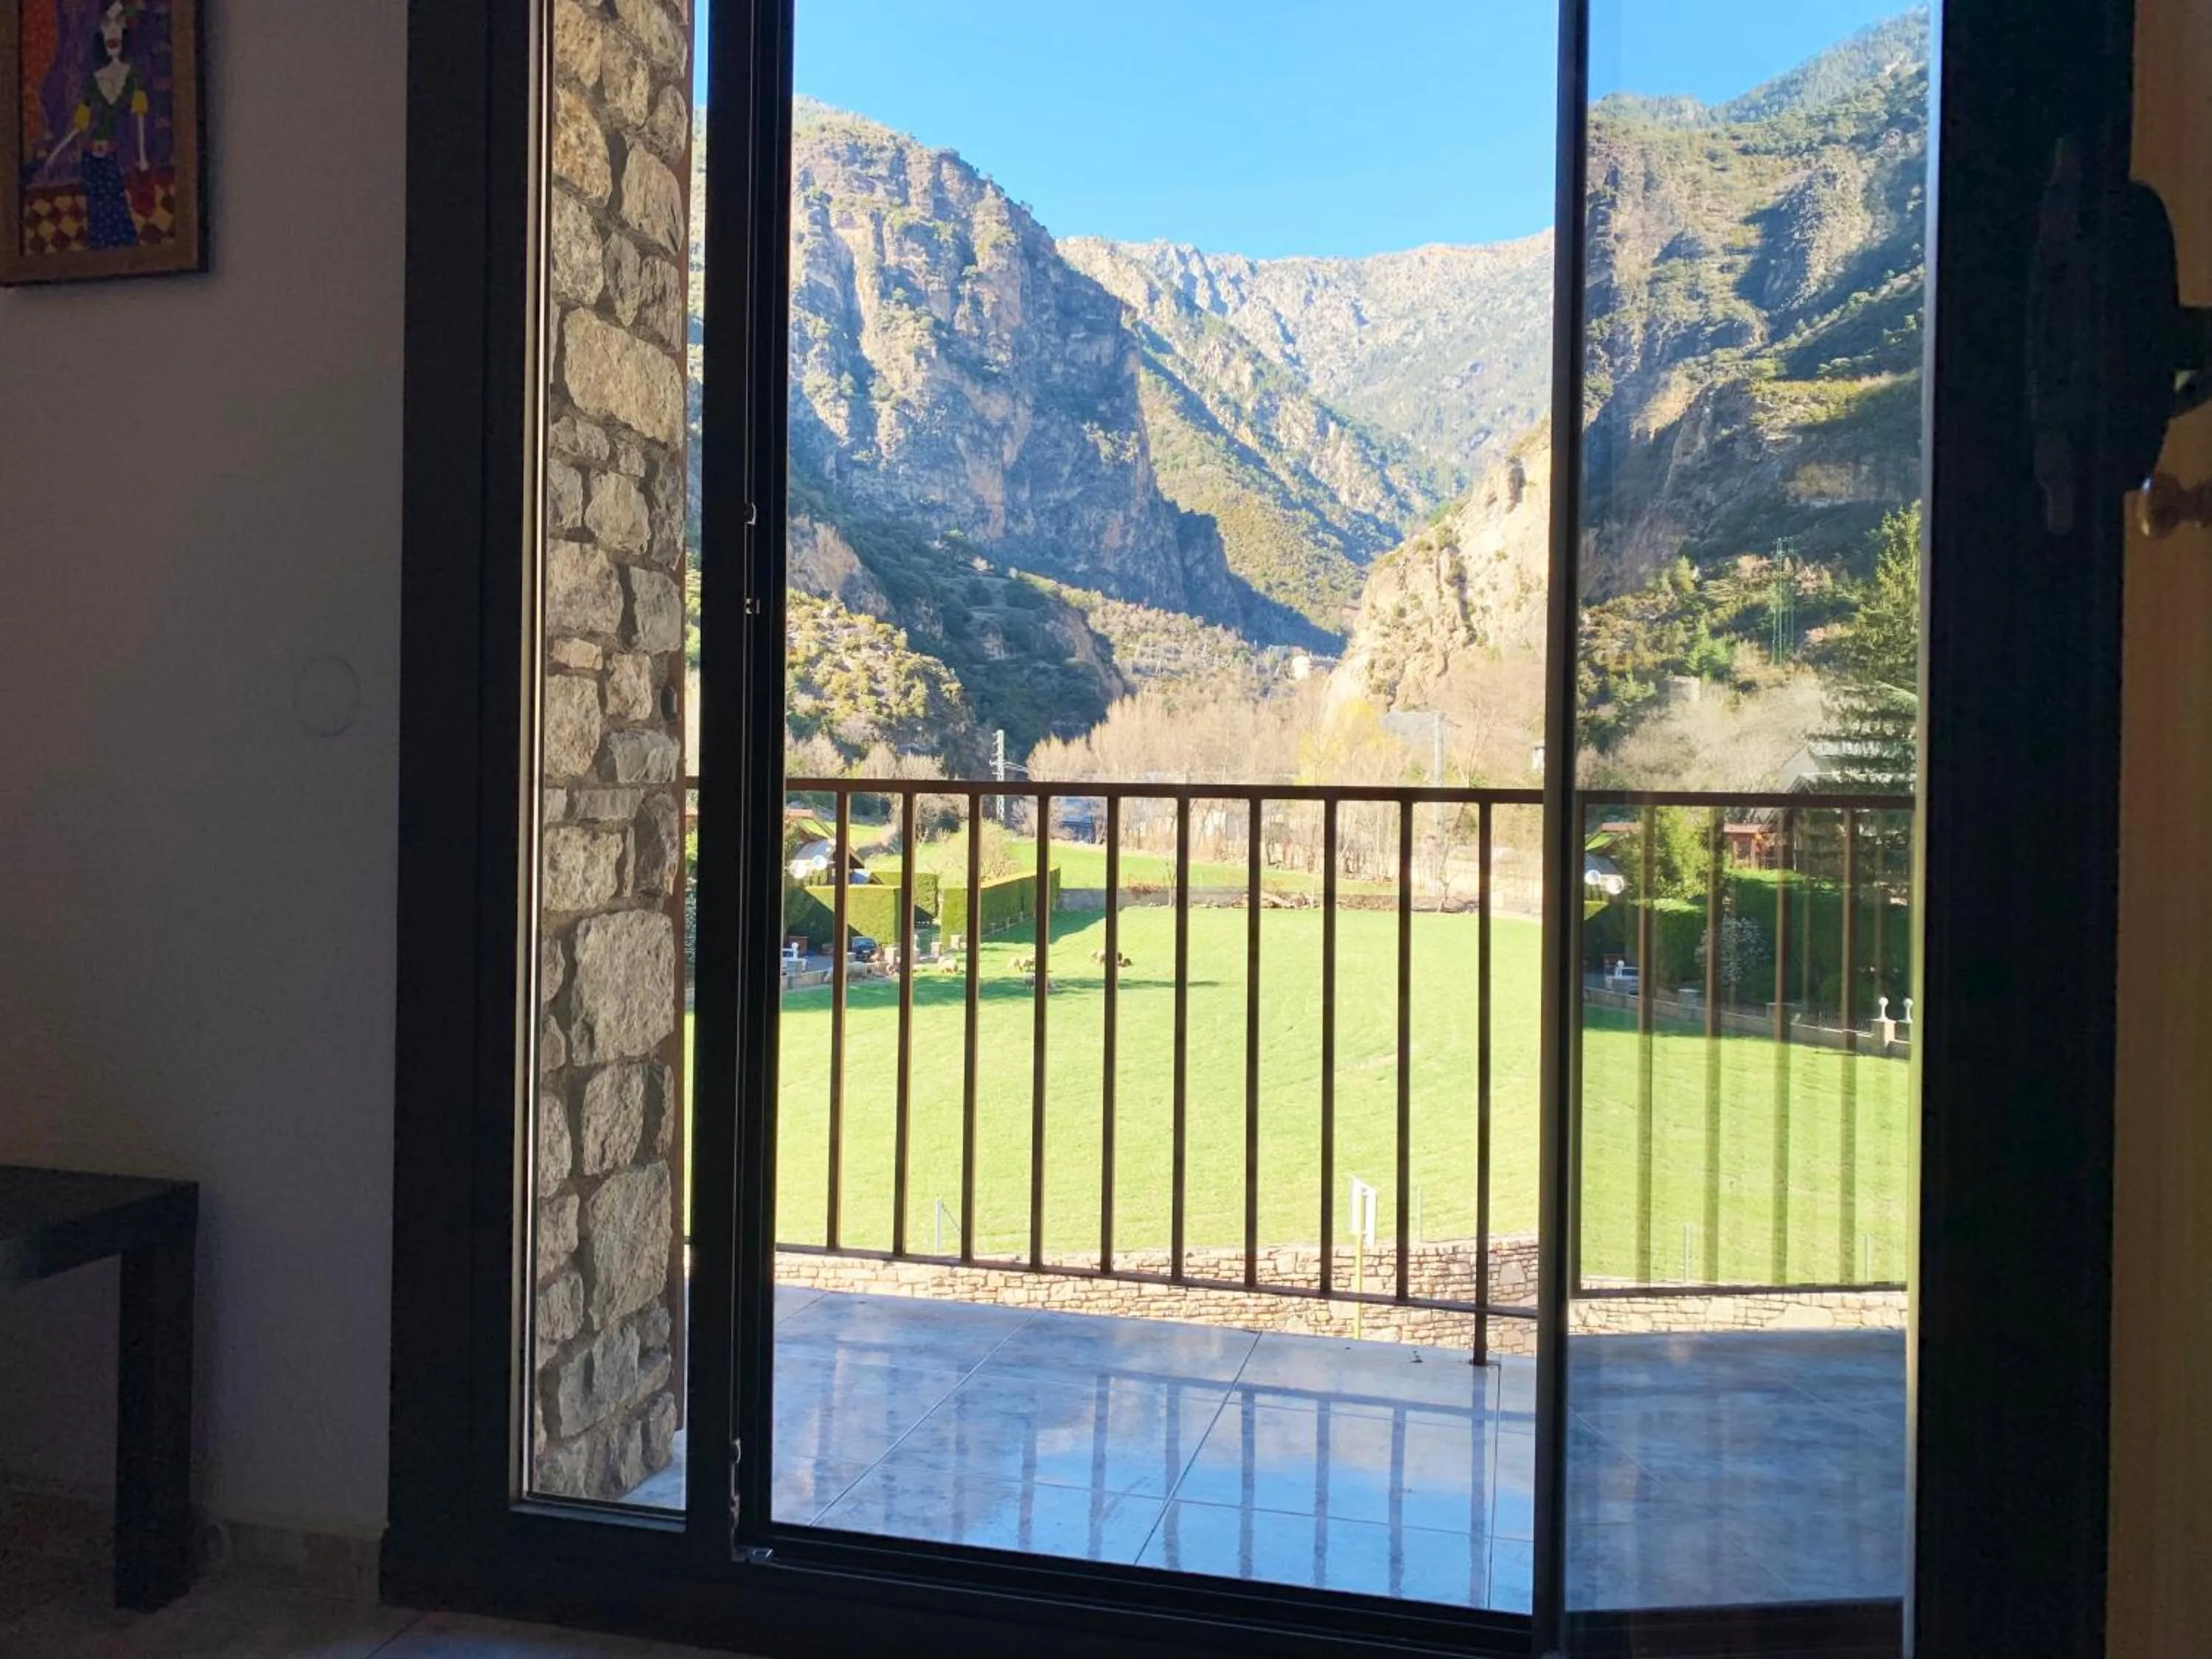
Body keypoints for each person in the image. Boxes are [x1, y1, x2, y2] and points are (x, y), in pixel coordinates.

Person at [37, 3, 150, 250]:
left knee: (119, 210)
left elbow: (139, 113)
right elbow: (81, 123)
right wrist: (56, 153)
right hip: (94, 159)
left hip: (119, 154)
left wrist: (143, 157)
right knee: (98, 216)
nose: (112, 33)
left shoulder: (133, 75)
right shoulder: (93, 79)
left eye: (117, 26)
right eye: (106, 26)